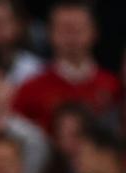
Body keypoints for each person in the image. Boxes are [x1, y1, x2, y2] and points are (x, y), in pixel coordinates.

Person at [13, 1, 120, 132]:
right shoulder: (30, 89)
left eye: (77, 29)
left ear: (94, 31)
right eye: (64, 29)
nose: (71, 37)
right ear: (50, 33)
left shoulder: (113, 85)